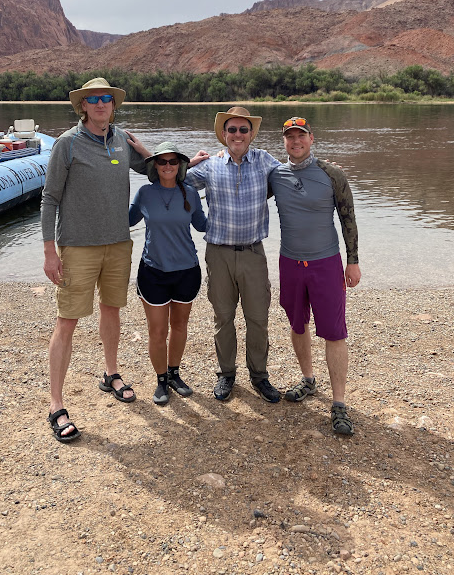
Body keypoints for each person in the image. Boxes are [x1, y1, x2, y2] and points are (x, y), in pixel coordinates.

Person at [41, 77, 151, 443]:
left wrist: (153, 154)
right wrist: (49, 252)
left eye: (106, 98)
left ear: (113, 105)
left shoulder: (122, 139)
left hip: (119, 244)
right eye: (93, 99)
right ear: (83, 107)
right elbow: (50, 199)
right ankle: (56, 404)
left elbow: (157, 173)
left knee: (112, 310)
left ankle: (111, 373)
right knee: (68, 321)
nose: (101, 104)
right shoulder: (67, 144)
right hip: (78, 247)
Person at [269, 117, 361, 436]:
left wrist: (353, 261)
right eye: (290, 137)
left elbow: (348, 216)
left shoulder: (331, 174)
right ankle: (308, 380)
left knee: (335, 332)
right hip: (290, 263)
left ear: (312, 138)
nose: (295, 141)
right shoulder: (275, 175)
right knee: (298, 324)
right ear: (284, 141)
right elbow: (245, 187)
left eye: (301, 136)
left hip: (326, 263)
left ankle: (338, 403)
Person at [185, 106, 282, 403]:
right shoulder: (210, 166)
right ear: (224, 134)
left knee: (257, 318)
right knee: (223, 317)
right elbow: (173, 181)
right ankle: (226, 374)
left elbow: (292, 176)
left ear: (251, 134)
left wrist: (328, 172)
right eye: (232, 130)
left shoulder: (266, 161)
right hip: (219, 254)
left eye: (243, 130)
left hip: (254, 253)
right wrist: (187, 162)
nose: (237, 135)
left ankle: (259, 376)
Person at [129, 142, 207, 405]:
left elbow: (203, 225)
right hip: (153, 271)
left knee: (180, 326)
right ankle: (161, 380)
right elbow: (125, 221)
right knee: (157, 330)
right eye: (162, 161)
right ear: (154, 166)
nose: (167, 166)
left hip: (187, 270)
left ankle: (174, 373)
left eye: (173, 162)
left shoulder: (191, 194)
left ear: (181, 165)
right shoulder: (145, 194)